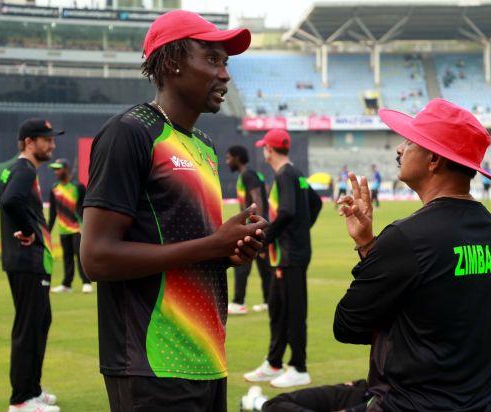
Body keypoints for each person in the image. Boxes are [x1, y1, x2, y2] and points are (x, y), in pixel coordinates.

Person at [80, 11, 266, 411]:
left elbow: (189, 246)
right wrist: (213, 246)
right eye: (212, 60)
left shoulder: (203, 144)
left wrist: (229, 252)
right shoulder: (129, 133)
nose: (225, 75)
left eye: (226, 63)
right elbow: (96, 257)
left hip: (207, 358)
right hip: (152, 366)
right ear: (172, 62)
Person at [334, 99, 491, 411]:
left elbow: (347, 324)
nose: (399, 149)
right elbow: (438, 315)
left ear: (433, 160)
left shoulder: (407, 237)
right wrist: (368, 245)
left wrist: (374, 252)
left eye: (409, 141)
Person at [244, 129, 322, 388]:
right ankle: (274, 362)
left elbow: (287, 211)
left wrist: (266, 238)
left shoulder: (285, 174)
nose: (263, 152)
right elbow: (316, 204)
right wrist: (302, 229)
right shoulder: (295, 173)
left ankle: (299, 367)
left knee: (293, 311)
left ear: (269, 150)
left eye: (264, 148)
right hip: (286, 255)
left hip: (290, 256)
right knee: (277, 308)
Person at [0, 118, 62, 412]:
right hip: (28, 262)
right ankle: (21, 400)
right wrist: (28, 231)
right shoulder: (23, 170)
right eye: (46, 139)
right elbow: (11, 201)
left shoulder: (17, 169)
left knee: (39, 324)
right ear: (29, 142)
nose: (52, 144)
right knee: (29, 329)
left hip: (27, 263)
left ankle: (32, 389)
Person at [226, 145, 273, 315]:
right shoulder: (251, 174)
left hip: (254, 227)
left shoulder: (247, 175)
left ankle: (239, 302)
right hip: (258, 226)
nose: (227, 161)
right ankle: (269, 301)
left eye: (229, 157)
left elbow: (257, 201)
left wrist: (255, 228)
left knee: (242, 261)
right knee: (264, 266)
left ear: (237, 157)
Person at [47, 158, 92, 294]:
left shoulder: (78, 187)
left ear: (66, 169)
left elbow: (86, 209)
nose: (56, 172)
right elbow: (53, 213)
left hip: (77, 229)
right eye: (54, 169)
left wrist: (88, 228)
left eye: (58, 168)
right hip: (63, 230)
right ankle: (67, 285)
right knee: (67, 258)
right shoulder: (54, 188)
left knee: (80, 256)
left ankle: (86, 282)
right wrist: (47, 231)